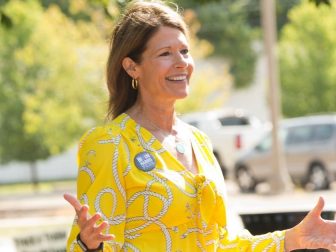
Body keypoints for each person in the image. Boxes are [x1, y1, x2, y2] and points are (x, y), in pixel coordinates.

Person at [64, 1, 336, 251]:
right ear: (132, 67)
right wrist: (88, 246)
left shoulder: (200, 143)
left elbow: (226, 243)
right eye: (165, 53)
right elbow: (97, 243)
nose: (181, 62)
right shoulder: (108, 145)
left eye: (184, 51)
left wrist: (292, 238)